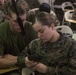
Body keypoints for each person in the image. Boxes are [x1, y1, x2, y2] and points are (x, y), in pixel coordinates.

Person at [0, 0, 37, 75]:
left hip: (28, 69)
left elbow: (37, 56)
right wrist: (23, 60)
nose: (20, 25)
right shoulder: (1, 31)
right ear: (8, 18)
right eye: (16, 21)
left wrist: (10, 59)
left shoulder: (30, 28)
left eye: (23, 20)